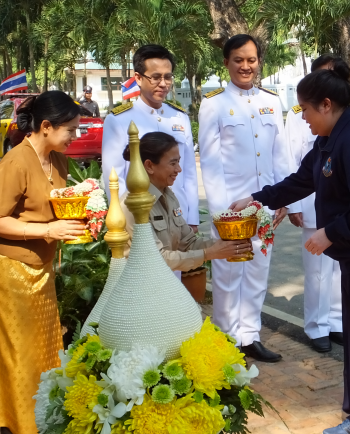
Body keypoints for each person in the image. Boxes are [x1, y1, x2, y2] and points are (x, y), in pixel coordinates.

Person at [230, 60, 350, 434]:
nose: (303, 118)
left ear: (326, 104)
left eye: (306, 110)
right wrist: (258, 197)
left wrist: (329, 233)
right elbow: (302, 180)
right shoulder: (330, 137)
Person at [0, 91, 86, 434]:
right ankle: (16, 426)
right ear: (46, 126)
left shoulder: (57, 160)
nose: (75, 136)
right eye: (70, 129)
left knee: (42, 354)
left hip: (40, 271)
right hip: (10, 273)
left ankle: (38, 422)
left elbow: (58, 208)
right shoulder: (17, 162)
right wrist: (47, 229)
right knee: (17, 357)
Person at [198, 34, 290, 363]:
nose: (245, 66)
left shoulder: (271, 102)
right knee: (226, 274)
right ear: (226, 63)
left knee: (257, 271)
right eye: (238, 59)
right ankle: (225, 339)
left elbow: (280, 154)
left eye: (251, 60)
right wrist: (222, 214)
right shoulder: (213, 105)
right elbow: (210, 162)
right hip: (232, 206)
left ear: (258, 62)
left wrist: (285, 199)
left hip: (264, 205)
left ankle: (250, 335)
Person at [285, 55, 350, 353]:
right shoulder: (301, 117)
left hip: (344, 214)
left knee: (339, 269)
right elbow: (296, 166)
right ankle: (317, 325)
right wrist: (290, 205)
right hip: (312, 204)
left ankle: (336, 321)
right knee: (317, 270)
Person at [120, 132, 252, 272]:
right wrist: (211, 253)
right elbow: (155, 260)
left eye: (178, 162)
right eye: (173, 163)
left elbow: (188, 243)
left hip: (163, 281)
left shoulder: (168, 196)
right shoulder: (133, 205)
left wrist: (225, 245)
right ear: (149, 166)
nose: (179, 169)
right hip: (139, 287)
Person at [102, 45, 199, 233]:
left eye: (168, 77)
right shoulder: (119, 120)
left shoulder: (180, 117)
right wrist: (128, 219)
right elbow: (114, 178)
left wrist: (192, 218)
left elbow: (188, 173)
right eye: (155, 77)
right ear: (138, 78)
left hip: (179, 216)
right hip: (141, 219)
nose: (163, 84)